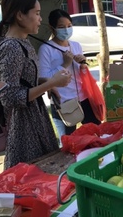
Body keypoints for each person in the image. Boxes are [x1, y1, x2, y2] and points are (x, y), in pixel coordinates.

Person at [0, 0, 71, 169]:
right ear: (20, 15)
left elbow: (24, 81)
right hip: (24, 128)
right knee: (31, 177)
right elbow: (9, 97)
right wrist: (52, 82)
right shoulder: (11, 47)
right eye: (37, 13)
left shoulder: (24, 42)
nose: (40, 19)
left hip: (37, 117)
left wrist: (45, 84)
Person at [38, 9, 101, 145]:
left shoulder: (76, 45)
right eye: (61, 27)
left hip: (84, 98)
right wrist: (65, 64)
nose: (66, 30)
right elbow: (44, 78)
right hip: (63, 102)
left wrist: (83, 65)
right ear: (52, 28)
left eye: (69, 26)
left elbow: (80, 73)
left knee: (95, 135)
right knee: (68, 142)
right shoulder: (46, 49)